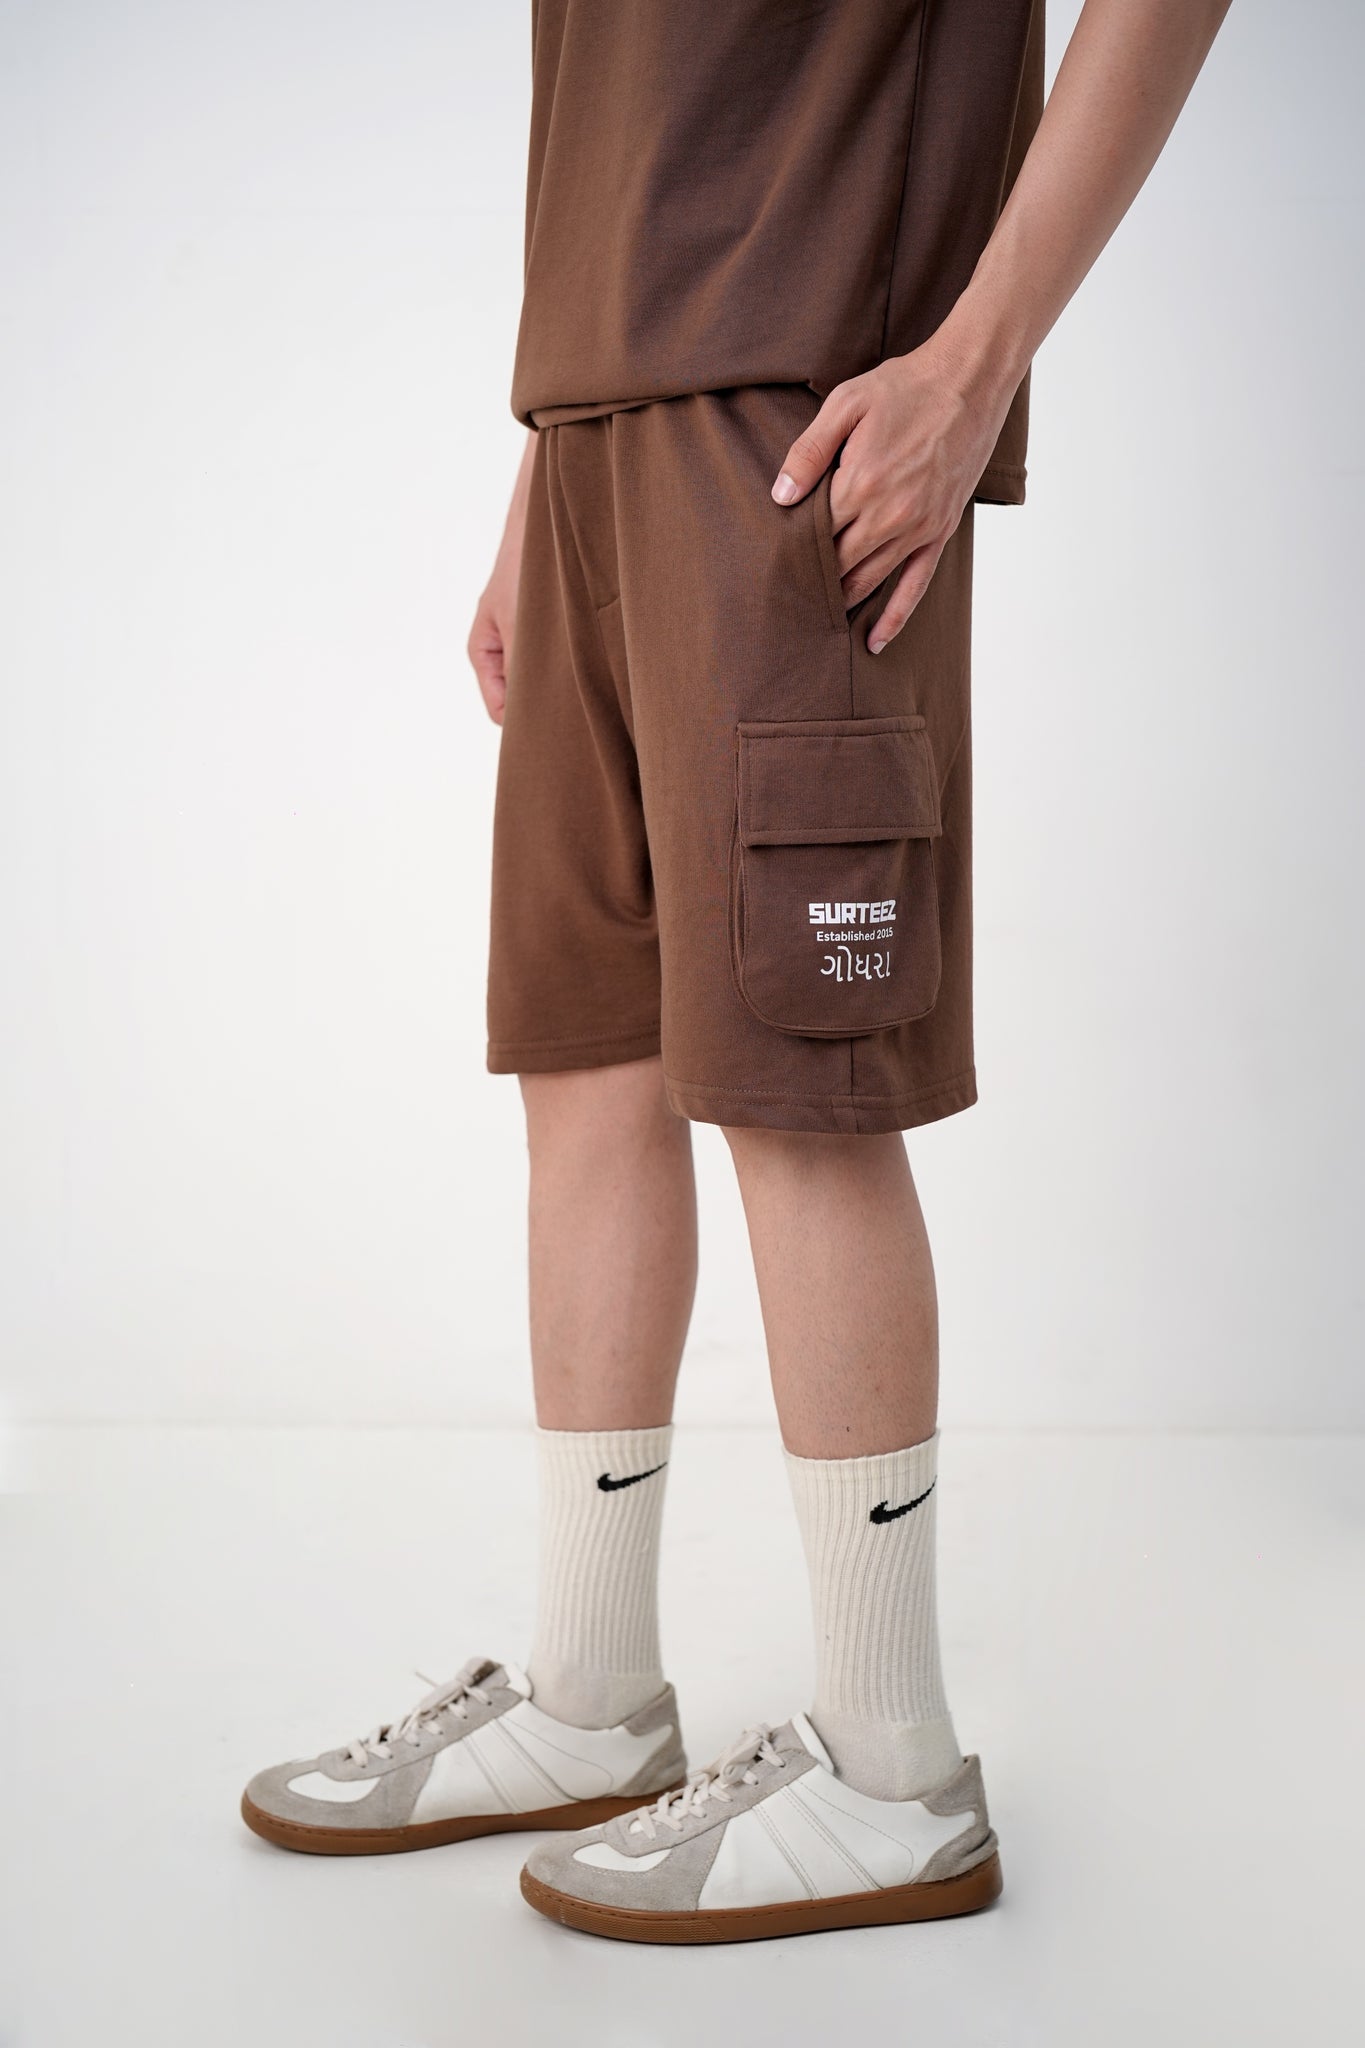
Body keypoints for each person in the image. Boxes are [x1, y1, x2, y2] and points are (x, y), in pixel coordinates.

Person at [243, 0, 1232, 1943]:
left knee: (798, 1091)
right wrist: (550, 458)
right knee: (588, 1064)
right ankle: (590, 1696)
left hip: (802, 426)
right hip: (594, 429)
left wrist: (976, 361)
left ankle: (891, 1771)